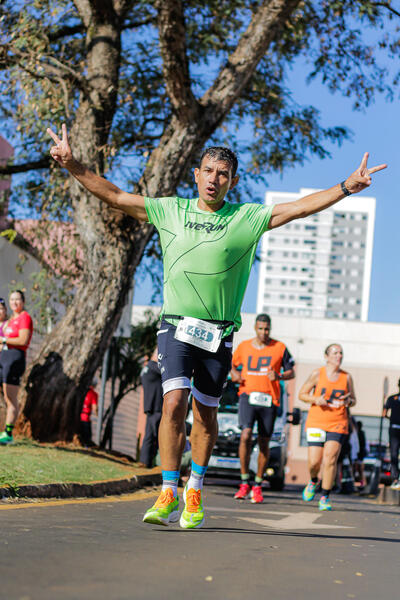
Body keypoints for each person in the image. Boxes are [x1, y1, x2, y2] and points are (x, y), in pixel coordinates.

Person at [47, 123, 385, 528]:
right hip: (174, 326)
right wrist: (71, 164)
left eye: (222, 174)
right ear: (197, 174)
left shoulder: (246, 218)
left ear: (232, 181)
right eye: (208, 171)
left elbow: (299, 207)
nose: (214, 179)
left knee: (205, 414)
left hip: (218, 333)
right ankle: (168, 489)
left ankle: (195, 488)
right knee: (174, 403)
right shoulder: (170, 209)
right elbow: (116, 195)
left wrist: (345, 187)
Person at [231, 313, 295, 503]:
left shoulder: (280, 348)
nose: (264, 332)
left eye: (267, 329)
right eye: (260, 328)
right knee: (245, 435)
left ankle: (257, 485)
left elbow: (291, 371)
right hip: (247, 396)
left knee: (264, 441)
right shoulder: (244, 347)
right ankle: (244, 482)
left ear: (270, 329)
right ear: (255, 328)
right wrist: (234, 374)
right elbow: (231, 365)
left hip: (269, 400)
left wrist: (280, 376)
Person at [299, 344, 356, 510]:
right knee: (314, 462)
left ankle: (324, 497)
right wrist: (316, 399)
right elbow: (302, 394)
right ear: (326, 356)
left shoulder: (347, 377)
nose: (339, 356)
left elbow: (353, 399)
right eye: (335, 353)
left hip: (338, 421)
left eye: (341, 353)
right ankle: (313, 481)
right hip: (317, 421)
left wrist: (348, 401)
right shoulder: (317, 374)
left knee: (330, 458)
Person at [0, 290, 33, 444]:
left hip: (14, 358)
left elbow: (23, 340)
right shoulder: (11, 319)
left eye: (17, 299)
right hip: (4, 357)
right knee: (5, 396)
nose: (14, 302)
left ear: (23, 301)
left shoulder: (25, 318)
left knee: (10, 397)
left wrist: (4, 340)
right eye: (12, 299)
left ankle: (8, 434)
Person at [140, 348, 163, 468]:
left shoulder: (147, 368)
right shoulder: (154, 367)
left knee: (149, 435)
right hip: (156, 405)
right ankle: (157, 463)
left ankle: (146, 462)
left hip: (151, 405)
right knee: (159, 437)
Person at [383, 379, 400, 490]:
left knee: (394, 454)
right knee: (393, 454)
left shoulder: (391, 398)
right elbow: (384, 413)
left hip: (394, 428)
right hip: (394, 428)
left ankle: (395, 479)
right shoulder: (391, 398)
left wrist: (393, 419)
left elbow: (384, 414)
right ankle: (395, 478)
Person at [79, 379, 98, 447]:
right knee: (87, 436)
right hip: (85, 418)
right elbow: (94, 407)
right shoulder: (93, 394)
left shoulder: (82, 391)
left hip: (78, 416)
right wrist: (97, 415)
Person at [354, 419, 368, 488]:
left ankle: (363, 483)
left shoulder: (358, 433)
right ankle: (362, 483)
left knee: (360, 470)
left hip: (359, 454)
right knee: (360, 470)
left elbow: (359, 445)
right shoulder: (362, 433)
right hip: (360, 454)